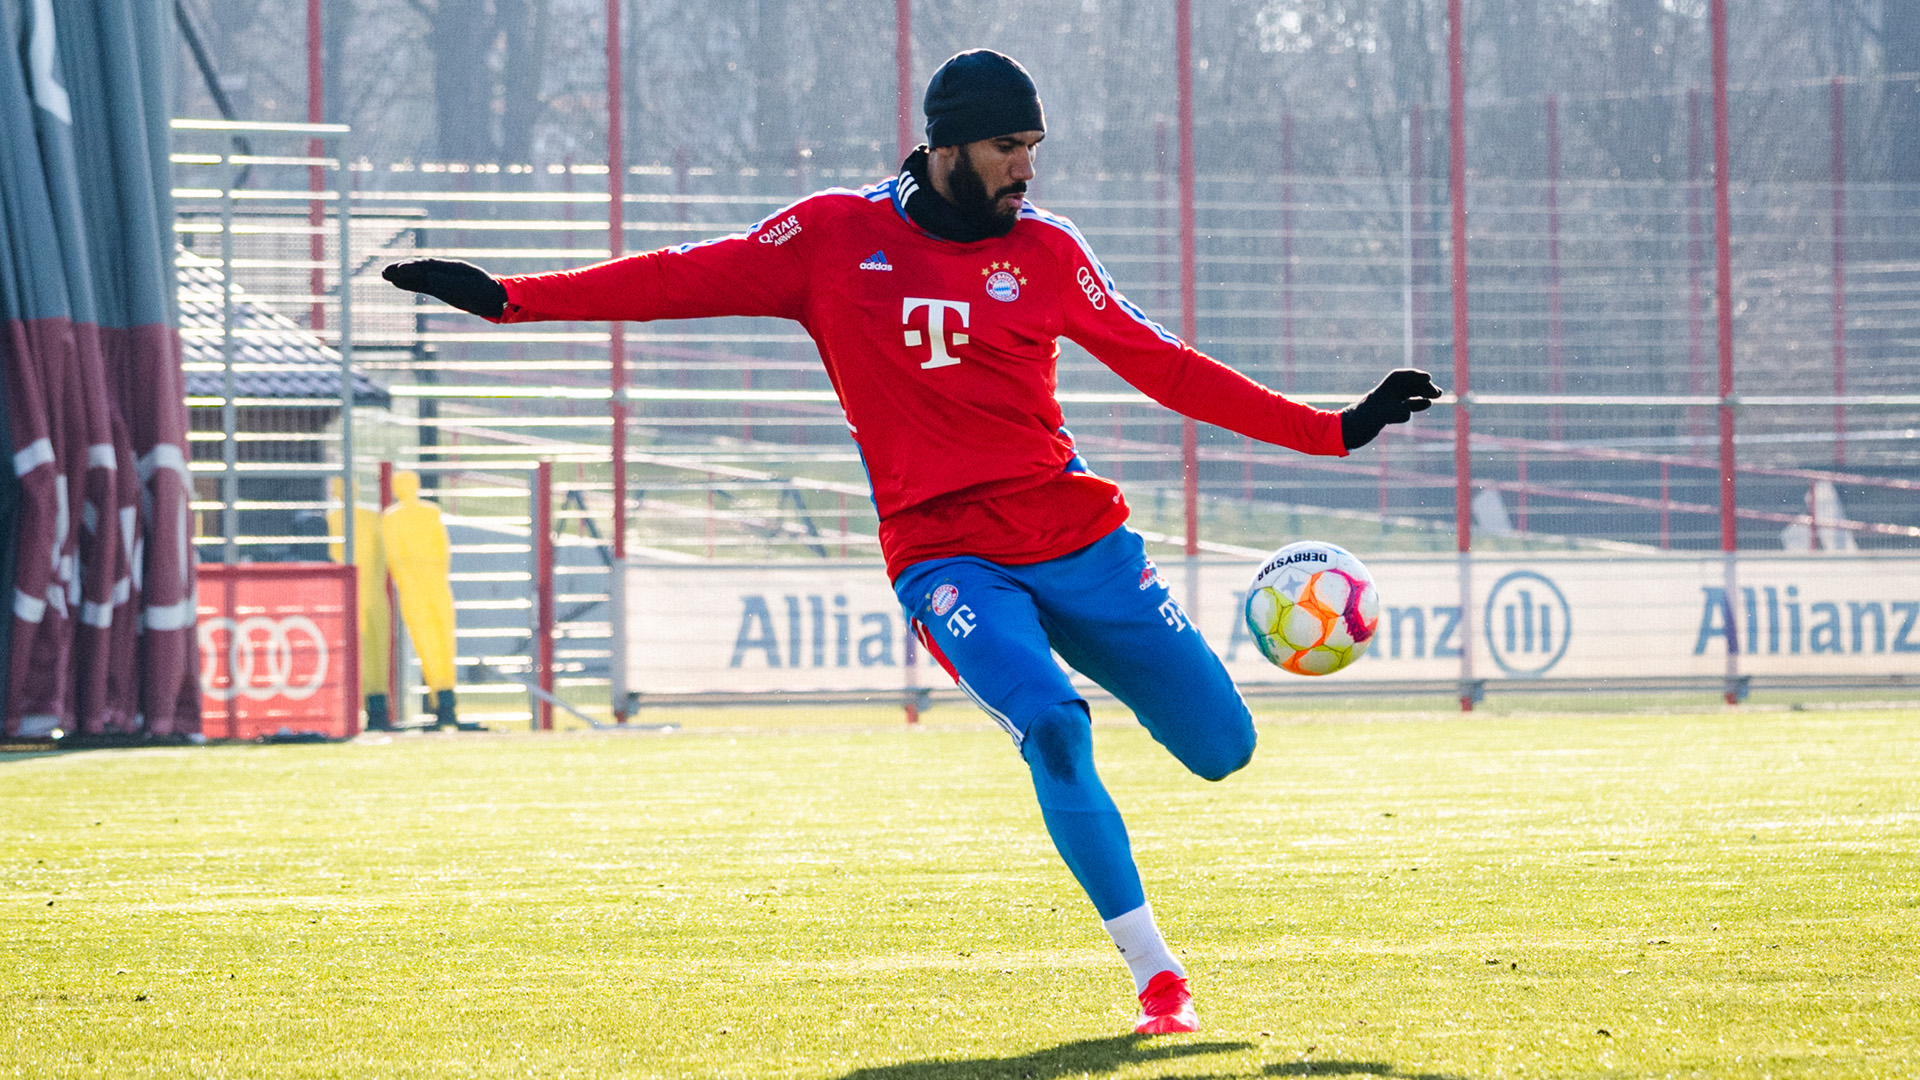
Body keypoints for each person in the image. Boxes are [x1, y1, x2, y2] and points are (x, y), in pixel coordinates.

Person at [385, 49, 1442, 1034]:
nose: (1025, 170)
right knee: (1056, 728)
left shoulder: (1050, 253)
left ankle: (1143, 736)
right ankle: (1157, 976)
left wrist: (1335, 429)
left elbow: (1163, 363)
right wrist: (511, 300)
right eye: (1005, 150)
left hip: (1075, 534)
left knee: (1223, 751)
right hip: (945, 554)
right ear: (946, 148)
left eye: (1033, 150)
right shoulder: (830, 240)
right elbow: (675, 278)